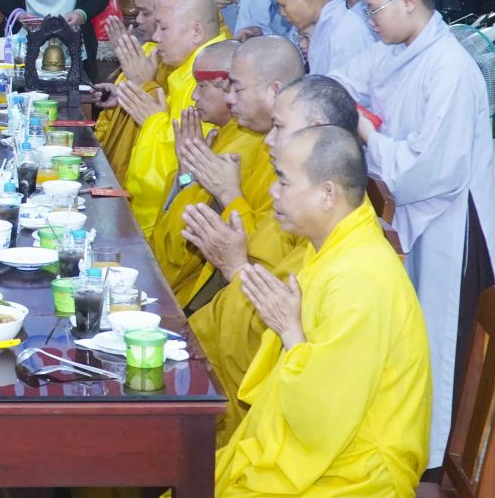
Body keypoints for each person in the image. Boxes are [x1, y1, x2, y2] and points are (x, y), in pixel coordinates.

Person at [146, 127, 431, 498]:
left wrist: (290, 333)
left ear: (327, 194)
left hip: (356, 477)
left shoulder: (359, 281)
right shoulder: (333, 248)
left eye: (283, 181)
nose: (272, 193)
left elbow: (324, 419)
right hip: (320, 453)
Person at [334, 0, 495, 464]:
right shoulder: (395, 49)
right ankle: (415, 445)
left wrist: (367, 132)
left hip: (455, 225)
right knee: (418, 340)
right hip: (418, 220)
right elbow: (342, 82)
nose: (370, 20)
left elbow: (425, 170)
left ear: (408, 1)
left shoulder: (450, 68)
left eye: (375, 9)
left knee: (448, 342)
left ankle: (442, 460)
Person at [185, 75, 364, 441]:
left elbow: (318, 409)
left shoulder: (355, 274)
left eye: (279, 126)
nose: (269, 138)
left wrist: (236, 268)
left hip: (312, 449)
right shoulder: (319, 219)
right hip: (240, 375)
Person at [166, 37, 304, 318]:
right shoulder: (244, 137)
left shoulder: (297, 168)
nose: (230, 99)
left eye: (237, 88)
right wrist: (188, 174)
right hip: (224, 297)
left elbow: (267, 264)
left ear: (274, 91)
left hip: (248, 306)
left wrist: (228, 194)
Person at [147, 40, 264, 310]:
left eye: (202, 86)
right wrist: (186, 172)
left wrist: (190, 178)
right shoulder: (222, 134)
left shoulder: (244, 148)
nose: (193, 97)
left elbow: (186, 240)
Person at [117, 0, 227, 236]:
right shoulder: (186, 70)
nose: (156, 37)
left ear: (196, 32)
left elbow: (185, 165)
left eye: (164, 28)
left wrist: (153, 121)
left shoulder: (212, 82)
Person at [90, 0, 164, 182]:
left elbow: (168, 141)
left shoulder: (204, 69)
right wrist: (122, 94)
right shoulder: (151, 49)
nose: (137, 19)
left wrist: (142, 87)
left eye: (146, 13)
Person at [269, 0, 374, 76]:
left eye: (283, 5)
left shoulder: (345, 32)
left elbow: (343, 87)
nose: (281, 13)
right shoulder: (323, 26)